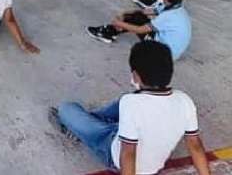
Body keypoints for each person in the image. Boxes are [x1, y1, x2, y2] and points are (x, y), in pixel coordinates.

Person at [49, 40, 211, 175]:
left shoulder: (131, 103)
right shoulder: (184, 100)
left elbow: (127, 153)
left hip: (112, 152)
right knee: (122, 106)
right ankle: (92, 124)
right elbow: (195, 147)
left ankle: (83, 129)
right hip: (150, 164)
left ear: (136, 75)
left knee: (67, 108)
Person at [86, 0, 191, 61]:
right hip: (172, 51)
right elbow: (146, 12)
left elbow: (140, 30)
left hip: (163, 55)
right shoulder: (175, 7)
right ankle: (111, 31)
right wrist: (125, 13)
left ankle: (108, 32)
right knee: (137, 17)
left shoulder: (168, 16)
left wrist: (119, 23)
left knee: (137, 21)